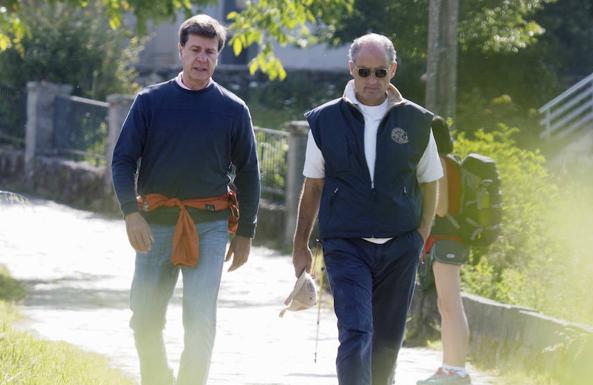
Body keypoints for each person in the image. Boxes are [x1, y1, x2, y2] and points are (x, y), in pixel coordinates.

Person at [111, 14, 260, 385]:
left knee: (199, 318)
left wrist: (245, 233)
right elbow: (122, 161)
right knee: (144, 317)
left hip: (209, 226)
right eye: (194, 49)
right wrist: (131, 214)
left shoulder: (233, 109)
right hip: (154, 223)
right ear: (181, 50)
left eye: (210, 52)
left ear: (217, 57)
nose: (201, 58)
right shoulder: (150, 102)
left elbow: (249, 174)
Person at [291, 33, 443, 385]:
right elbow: (312, 185)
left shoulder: (417, 122)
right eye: (364, 71)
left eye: (379, 72)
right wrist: (301, 245)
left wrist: (420, 236)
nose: (372, 80)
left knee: (387, 342)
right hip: (346, 244)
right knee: (357, 331)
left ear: (392, 71)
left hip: (400, 246)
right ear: (351, 70)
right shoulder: (325, 120)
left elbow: (430, 181)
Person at [417, 117, 471, 385]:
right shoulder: (446, 162)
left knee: (451, 305)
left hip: (447, 241)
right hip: (445, 241)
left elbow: (441, 209)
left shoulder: (439, 162)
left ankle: (457, 371)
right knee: (446, 305)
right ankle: (450, 368)